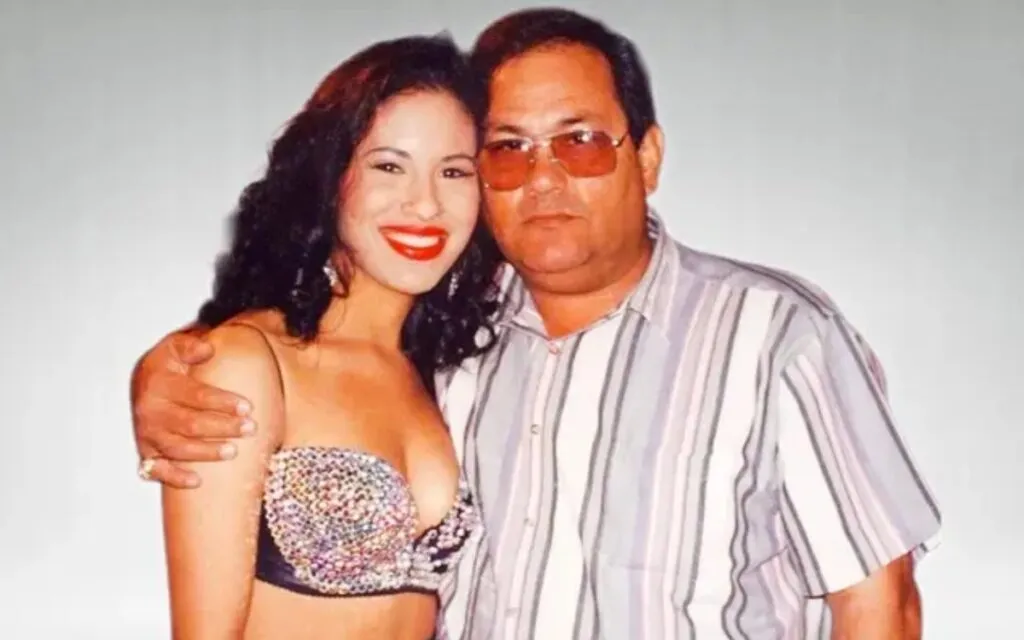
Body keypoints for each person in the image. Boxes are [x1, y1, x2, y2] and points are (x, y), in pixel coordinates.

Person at [130, 8, 942, 639]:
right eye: (508, 150)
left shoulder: (776, 334)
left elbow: (882, 606)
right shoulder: (459, 351)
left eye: (580, 143)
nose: (544, 177)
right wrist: (167, 370)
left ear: (646, 157)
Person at [149, 33, 507, 639]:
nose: (425, 204)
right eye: (389, 166)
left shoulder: (444, 373)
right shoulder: (247, 363)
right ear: (330, 177)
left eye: (453, 171)